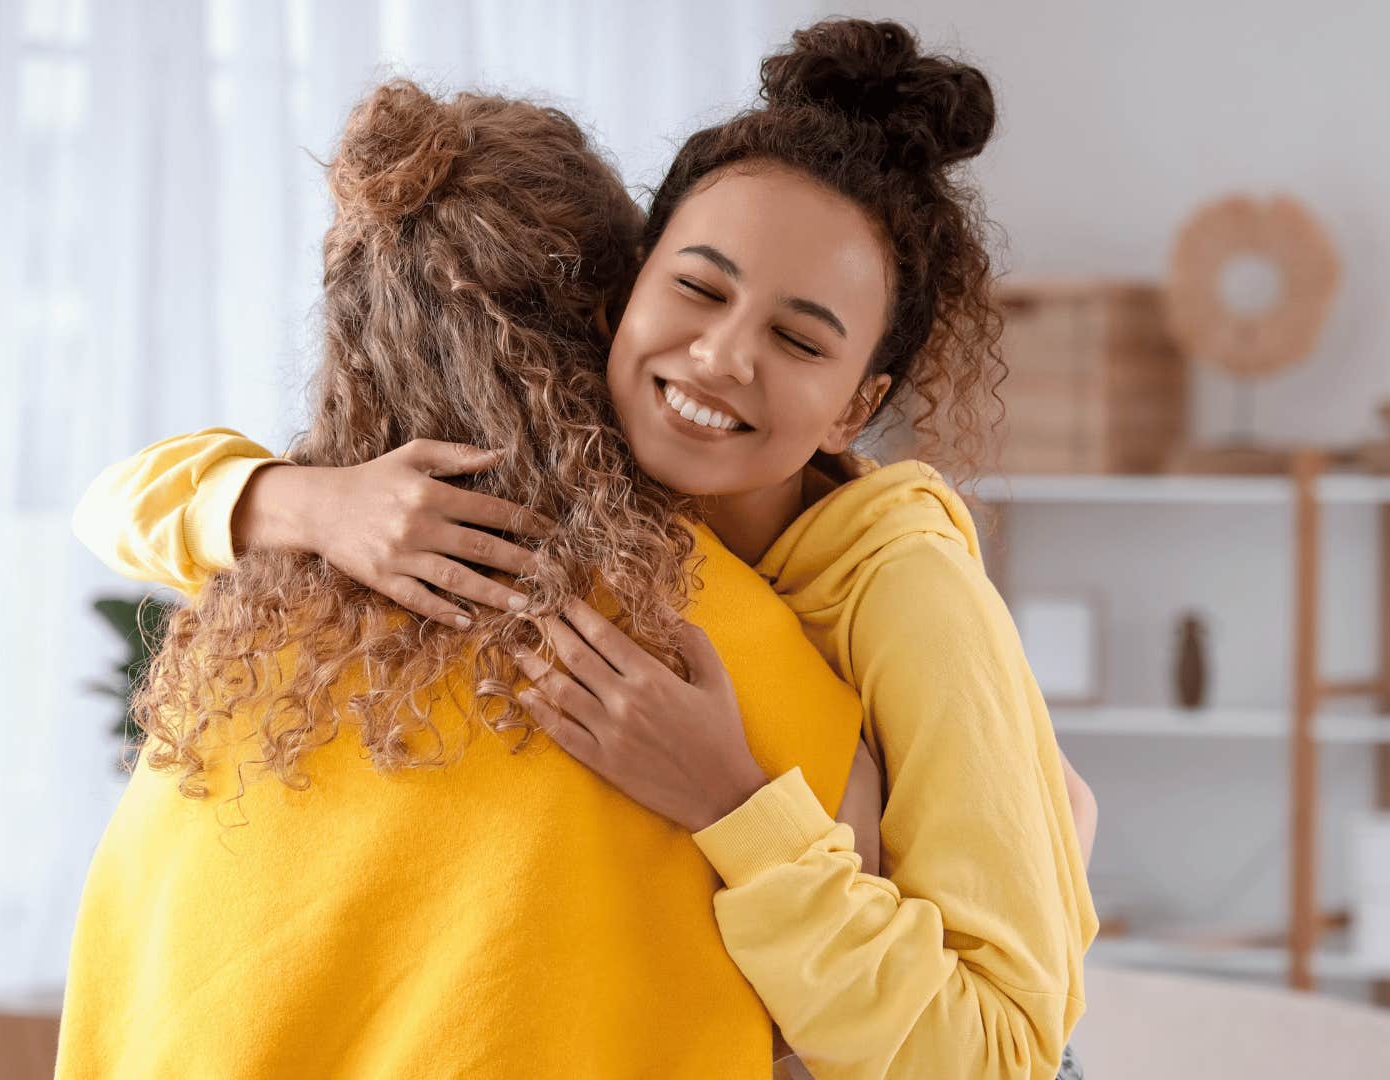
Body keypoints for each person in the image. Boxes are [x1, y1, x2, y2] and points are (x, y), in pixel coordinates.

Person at [78, 19, 1100, 1078]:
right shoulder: (591, 494)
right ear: (624, 291)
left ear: (858, 408)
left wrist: (729, 803)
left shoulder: (908, 594)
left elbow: (1007, 1052)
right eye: (698, 289)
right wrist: (304, 505)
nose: (718, 359)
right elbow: (115, 504)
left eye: (799, 340)